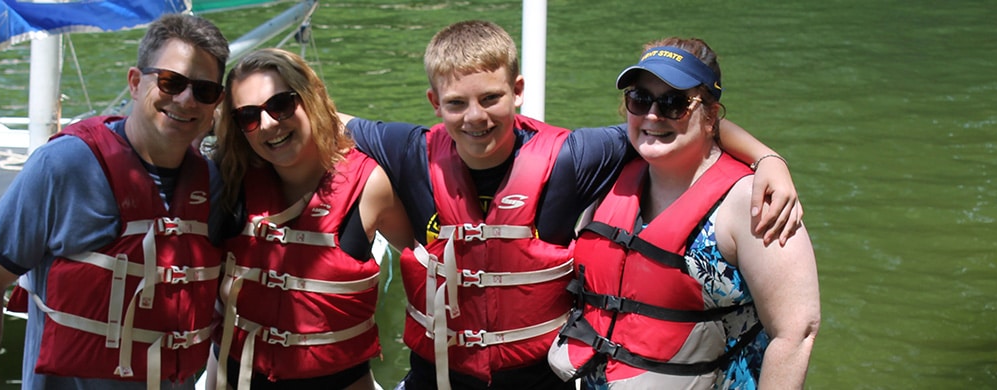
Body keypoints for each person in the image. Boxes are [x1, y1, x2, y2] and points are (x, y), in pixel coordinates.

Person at [341, 20, 802, 390]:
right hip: (435, 376)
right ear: (434, 103)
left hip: (541, 377)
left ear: (518, 92)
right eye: (456, 103)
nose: (475, 117)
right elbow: (328, 122)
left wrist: (768, 158)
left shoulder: (574, 158)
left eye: (491, 98)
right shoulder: (408, 150)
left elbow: (679, 126)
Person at [0, 14, 229, 390]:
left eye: (204, 91)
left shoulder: (212, 185)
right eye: (171, 82)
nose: (186, 100)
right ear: (135, 83)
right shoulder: (63, 165)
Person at [546, 37, 820, 389]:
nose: (653, 115)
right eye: (639, 99)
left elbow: (796, 332)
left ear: (710, 117)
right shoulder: (608, 173)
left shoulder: (753, 201)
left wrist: (770, 160)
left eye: (674, 103)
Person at [206, 48, 415, 390]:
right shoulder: (227, 181)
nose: (270, 124)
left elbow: (426, 273)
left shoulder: (370, 187)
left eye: (282, 104)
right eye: (248, 116)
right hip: (234, 378)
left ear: (311, 97)